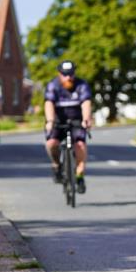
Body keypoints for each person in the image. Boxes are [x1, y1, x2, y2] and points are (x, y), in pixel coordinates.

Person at [44, 60, 92, 193]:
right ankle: (56, 165)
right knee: (51, 143)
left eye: (71, 74)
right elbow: (49, 103)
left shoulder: (81, 85)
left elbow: (86, 103)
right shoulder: (53, 85)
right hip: (58, 121)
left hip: (76, 121)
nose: (68, 77)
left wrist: (86, 119)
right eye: (65, 75)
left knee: (80, 145)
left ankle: (79, 175)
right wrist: (50, 121)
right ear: (59, 74)